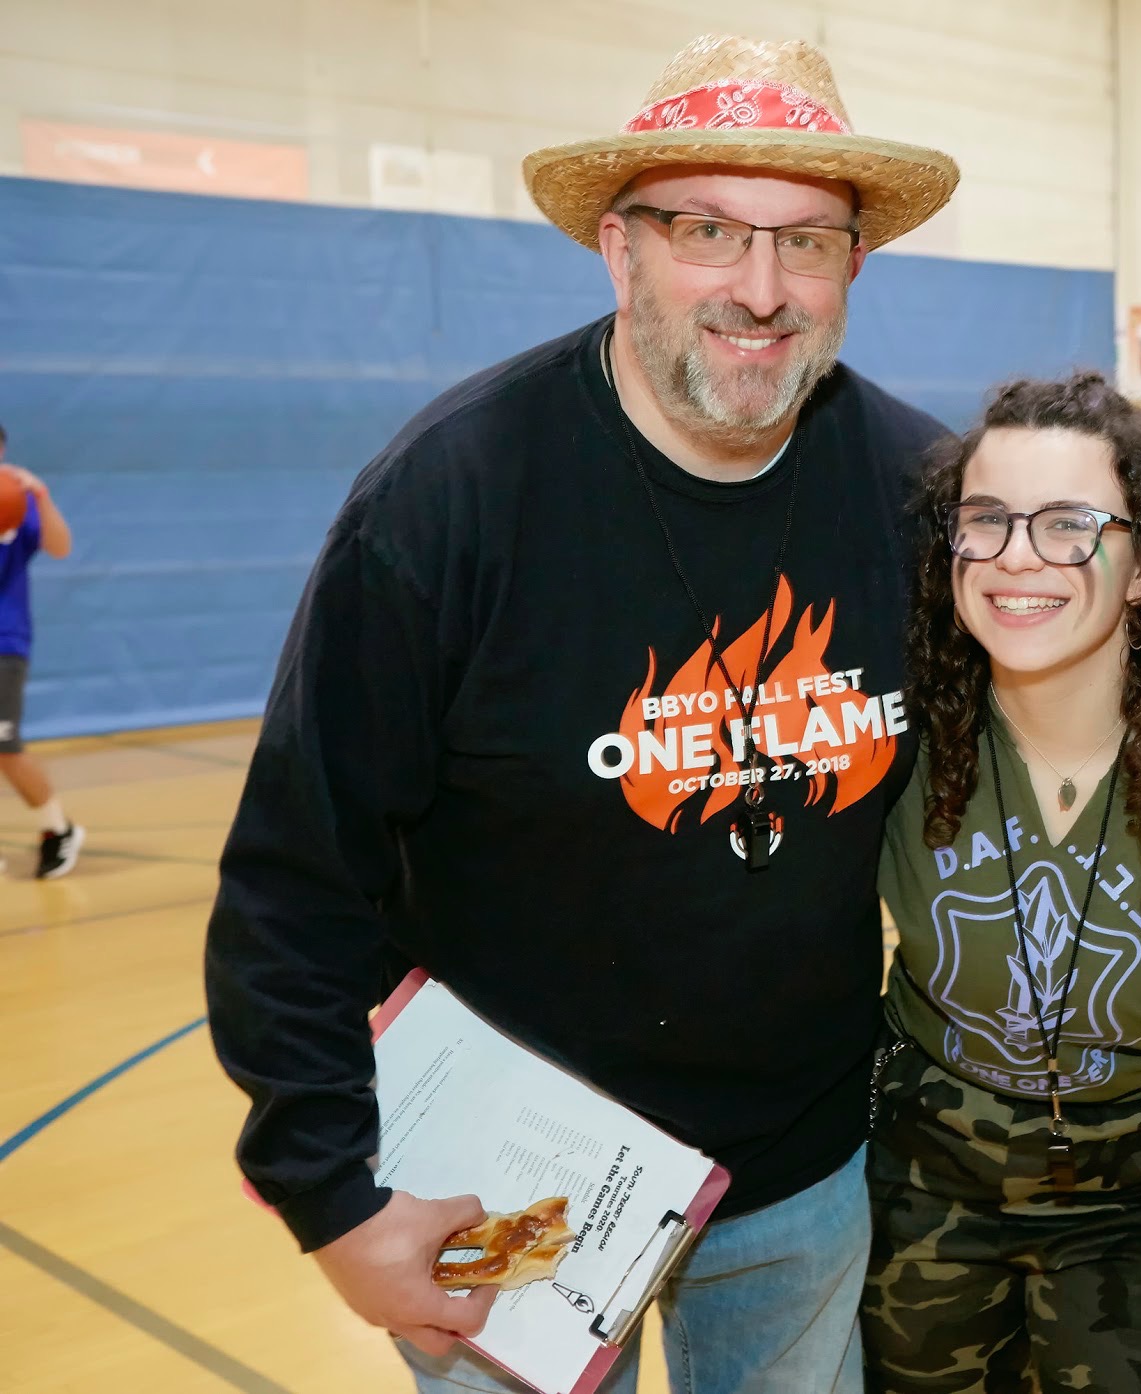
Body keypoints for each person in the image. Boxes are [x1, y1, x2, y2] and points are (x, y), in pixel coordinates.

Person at [203, 33, 958, 1394]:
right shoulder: (449, 500)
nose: (761, 287)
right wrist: (330, 1197)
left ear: (855, 269)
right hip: (511, 1182)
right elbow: (294, 884)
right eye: (708, 229)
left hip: (801, 1170)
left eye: (809, 242)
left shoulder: (919, 492)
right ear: (621, 252)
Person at [862, 374, 1141, 1394]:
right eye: (986, 520)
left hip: (1139, 1204)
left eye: (1068, 524)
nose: (1018, 555)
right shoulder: (899, 740)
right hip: (923, 1184)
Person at [0, 423, 85, 880]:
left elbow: (60, 547)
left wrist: (44, 496)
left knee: (3, 747)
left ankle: (59, 829)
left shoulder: (17, 497)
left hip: (3, 640)